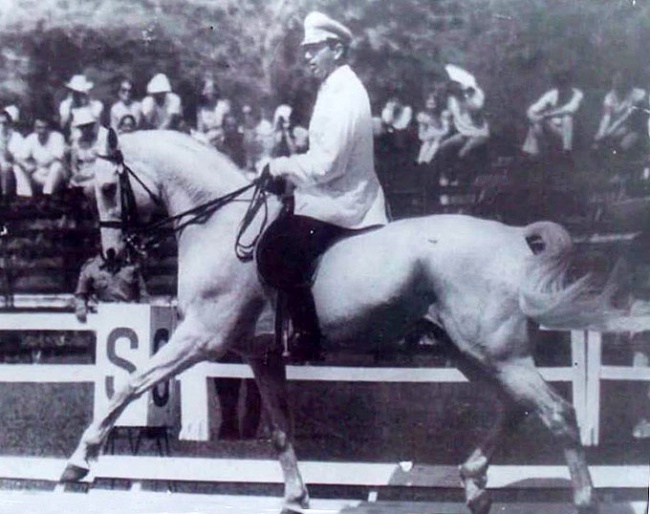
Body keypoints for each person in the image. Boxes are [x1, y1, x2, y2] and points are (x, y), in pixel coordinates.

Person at [256, 11, 388, 362]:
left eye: (315, 49)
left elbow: (330, 164)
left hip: (344, 203)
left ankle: (307, 335)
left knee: (277, 248)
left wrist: (282, 166)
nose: (308, 56)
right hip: (331, 195)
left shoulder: (347, 92)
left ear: (338, 50)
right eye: (306, 49)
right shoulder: (333, 88)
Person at [74, 248, 150, 323]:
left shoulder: (132, 267)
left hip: (128, 315)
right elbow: (80, 294)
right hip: (102, 316)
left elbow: (143, 294)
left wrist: (142, 313)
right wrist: (81, 307)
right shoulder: (91, 268)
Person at [436, 80, 490, 185]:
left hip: (479, 133)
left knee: (463, 152)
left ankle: (462, 181)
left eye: (458, 85)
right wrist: (446, 116)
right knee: (443, 147)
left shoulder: (477, 94)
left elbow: (476, 111)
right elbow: (451, 114)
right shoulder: (451, 99)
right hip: (463, 133)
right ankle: (445, 176)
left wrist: (464, 99)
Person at [522, 70, 584, 157]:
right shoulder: (552, 94)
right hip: (553, 129)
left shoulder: (578, 94)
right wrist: (533, 116)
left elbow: (569, 110)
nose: (563, 87)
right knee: (535, 122)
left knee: (567, 118)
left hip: (571, 132)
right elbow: (533, 108)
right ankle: (531, 152)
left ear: (570, 84)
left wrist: (545, 115)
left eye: (565, 83)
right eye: (560, 84)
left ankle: (567, 150)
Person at [593, 69, 647, 156]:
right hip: (617, 126)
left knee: (631, 132)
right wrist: (601, 133)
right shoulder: (609, 97)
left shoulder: (639, 95)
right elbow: (606, 117)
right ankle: (607, 151)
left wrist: (610, 132)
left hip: (635, 125)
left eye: (619, 79)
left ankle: (617, 152)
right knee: (606, 136)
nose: (616, 82)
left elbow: (629, 116)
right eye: (615, 80)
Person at [16, 113, 67, 197]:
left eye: (45, 127)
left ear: (49, 128)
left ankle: (47, 196)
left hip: (54, 174)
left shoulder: (57, 137)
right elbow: (18, 157)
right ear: (34, 129)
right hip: (38, 173)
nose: (42, 131)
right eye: (39, 128)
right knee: (18, 167)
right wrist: (26, 165)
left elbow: (56, 157)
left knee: (57, 165)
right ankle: (25, 197)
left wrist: (37, 164)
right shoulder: (31, 138)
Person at [69, 107, 109, 191]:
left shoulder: (100, 141)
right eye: (82, 127)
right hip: (82, 175)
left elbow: (105, 164)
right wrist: (76, 174)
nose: (85, 129)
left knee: (91, 188)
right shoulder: (76, 143)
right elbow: (73, 165)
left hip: (98, 175)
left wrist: (92, 175)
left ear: (92, 126)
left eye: (87, 126)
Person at [415, 88, 451, 166]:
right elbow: (421, 135)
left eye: (434, 100)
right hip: (428, 139)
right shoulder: (423, 116)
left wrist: (435, 135)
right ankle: (421, 163)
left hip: (440, 139)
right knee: (427, 144)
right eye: (429, 99)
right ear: (425, 102)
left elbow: (446, 131)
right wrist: (429, 136)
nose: (432, 101)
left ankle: (426, 163)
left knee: (436, 143)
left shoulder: (443, 114)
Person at [195, 78, 231, 148]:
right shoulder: (201, 109)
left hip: (221, 139)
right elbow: (200, 129)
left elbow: (228, 128)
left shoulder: (223, 106)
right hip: (206, 140)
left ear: (215, 91)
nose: (208, 92)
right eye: (206, 89)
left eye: (210, 89)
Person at [0, 105, 25, 200]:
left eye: (4, 123)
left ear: (10, 123)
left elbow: (19, 158)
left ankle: (5, 197)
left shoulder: (17, 137)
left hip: (11, 166)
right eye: (0, 123)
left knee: (5, 168)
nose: (2, 126)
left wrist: (6, 149)